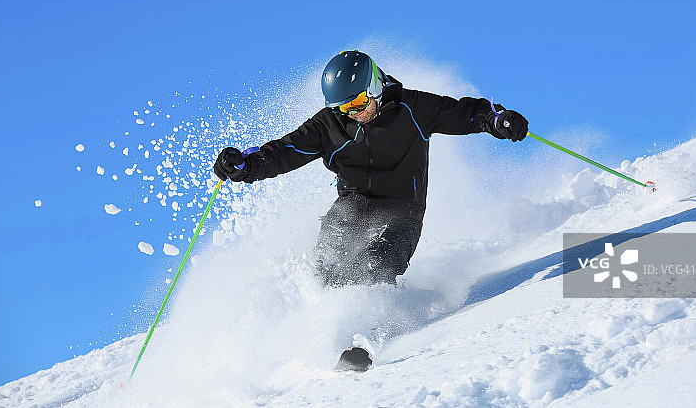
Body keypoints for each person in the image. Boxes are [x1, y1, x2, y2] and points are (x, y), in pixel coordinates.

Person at [214, 51, 528, 287]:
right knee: (329, 256)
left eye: (359, 102)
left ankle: (367, 328)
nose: (354, 113)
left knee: (376, 261)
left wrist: (496, 120)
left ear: (375, 85)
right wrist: (247, 165)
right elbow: (285, 151)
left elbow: (465, 113)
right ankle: (318, 324)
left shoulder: (413, 108)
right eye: (344, 108)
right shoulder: (329, 126)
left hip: (403, 209)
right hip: (354, 202)